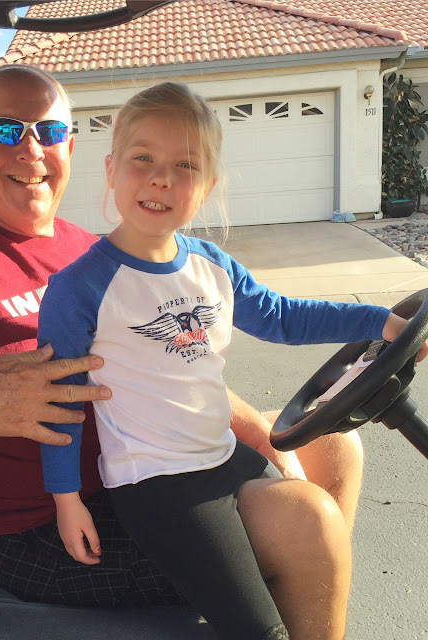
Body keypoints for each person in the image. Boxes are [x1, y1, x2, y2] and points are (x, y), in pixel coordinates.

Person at [0, 64, 382, 637]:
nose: (31, 149)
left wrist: (255, 433)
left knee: (334, 446)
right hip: (48, 526)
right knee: (306, 525)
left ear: (70, 148)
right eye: (4, 130)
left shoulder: (92, 250)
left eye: (49, 131)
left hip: (169, 467)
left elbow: (175, 358)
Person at [36, 82, 426, 640]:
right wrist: (66, 498)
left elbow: (283, 317)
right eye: (142, 158)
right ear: (111, 169)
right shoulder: (79, 288)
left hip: (222, 455)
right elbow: (59, 402)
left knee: (320, 507)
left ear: (208, 186)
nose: (161, 178)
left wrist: (379, 322)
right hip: (157, 484)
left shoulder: (210, 264)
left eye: (185, 165)